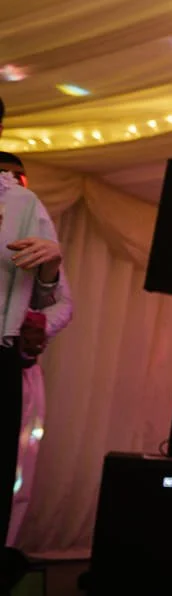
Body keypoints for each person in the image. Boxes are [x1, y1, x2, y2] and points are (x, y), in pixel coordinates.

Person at [0, 150, 73, 548]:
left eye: (19, 178)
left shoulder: (31, 218)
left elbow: (62, 300)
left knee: (18, 465)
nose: (12, 184)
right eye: (6, 176)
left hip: (17, 362)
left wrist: (40, 324)